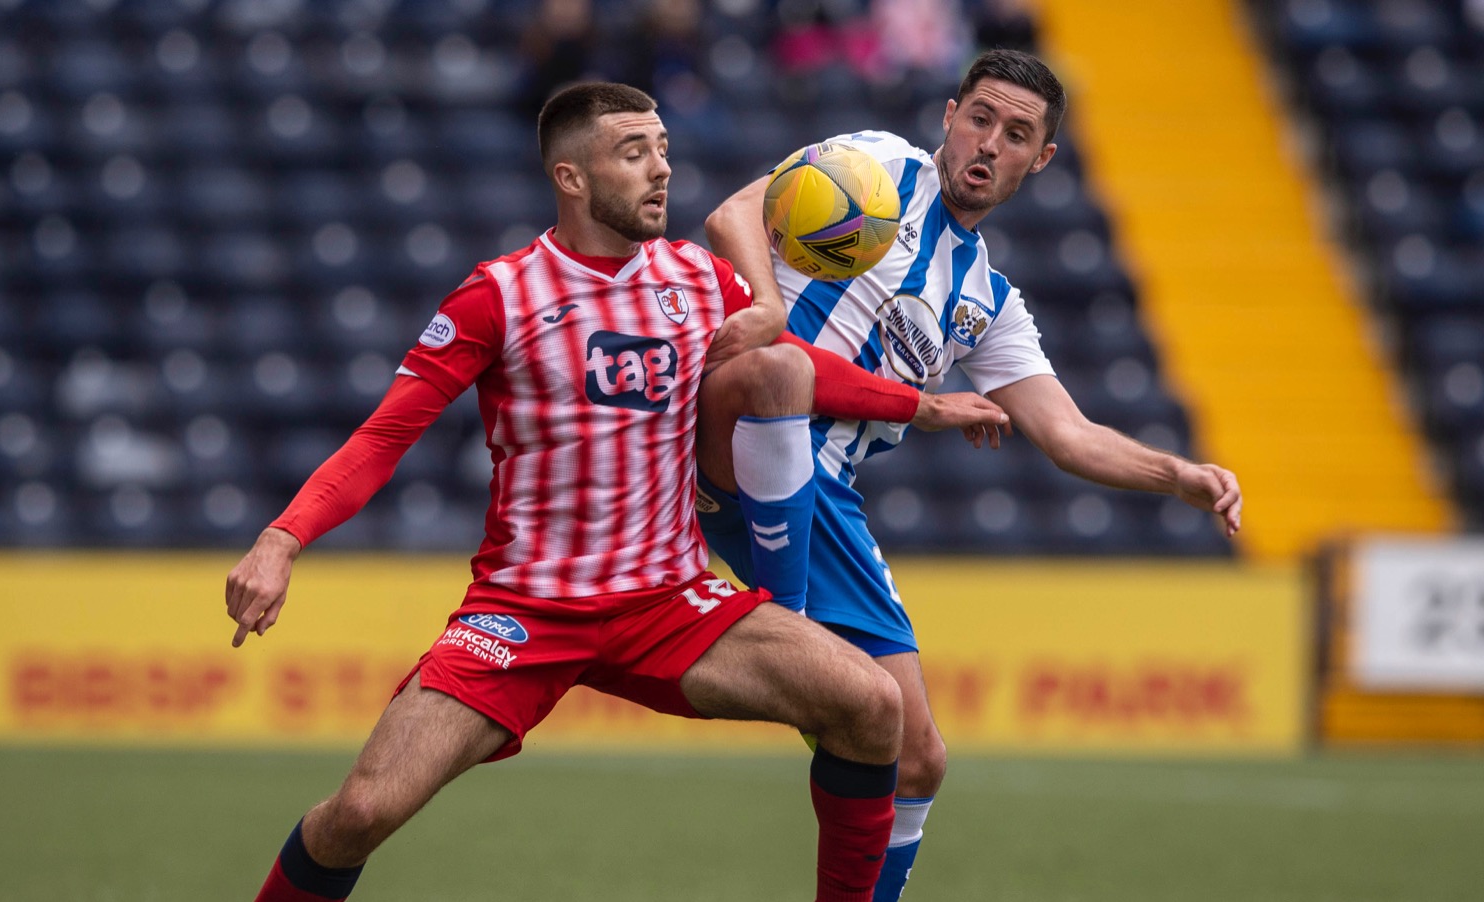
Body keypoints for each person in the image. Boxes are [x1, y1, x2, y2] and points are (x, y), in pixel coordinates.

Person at [224, 81, 1009, 902]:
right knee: (358, 812)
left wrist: (920, 405)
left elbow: (804, 371)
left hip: (667, 604)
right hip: (525, 611)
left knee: (873, 705)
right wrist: (282, 540)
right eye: (634, 154)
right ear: (571, 177)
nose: (660, 171)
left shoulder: (698, 280)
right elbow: (385, 435)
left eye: (663, 149)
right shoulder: (500, 294)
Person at [701, 49, 1244, 902]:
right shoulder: (877, 165)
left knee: (916, 757)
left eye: (1017, 134)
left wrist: (1179, 474)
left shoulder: (988, 301)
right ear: (949, 115)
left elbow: (1067, 435)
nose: (990, 143)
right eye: (981, 119)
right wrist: (769, 308)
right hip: (736, 421)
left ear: (1042, 159)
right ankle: (781, 627)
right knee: (775, 379)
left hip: (823, 495)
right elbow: (735, 213)